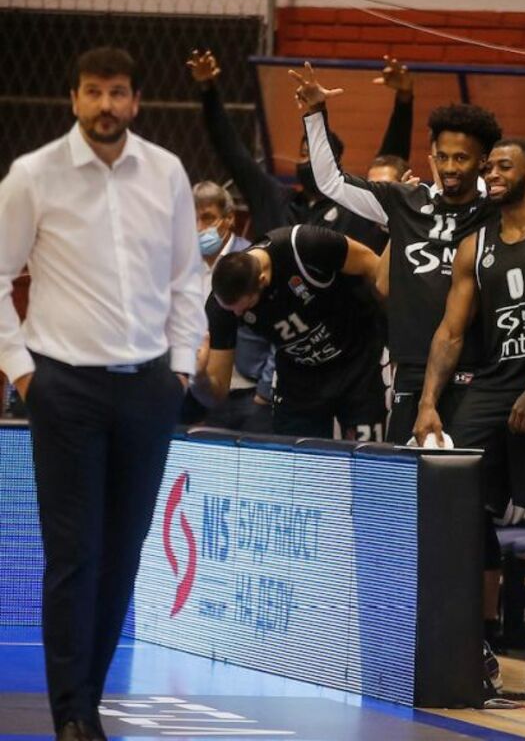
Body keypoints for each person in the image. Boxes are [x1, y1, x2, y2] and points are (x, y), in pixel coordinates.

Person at [0, 46, 204, 741]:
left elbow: (186, 279)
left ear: (136, 101)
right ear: (74, 99)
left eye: (117, 92)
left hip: (148, 386)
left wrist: (180, 370)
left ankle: (89, 697)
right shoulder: (34, 175)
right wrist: (22, 372)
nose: (105, 105)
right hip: (64, 385)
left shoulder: (166, 172)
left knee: (124, 552)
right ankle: (72, 713)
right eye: (93, 91)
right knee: (74, 553)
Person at [412, 139, 525, 693]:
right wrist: (428, 402)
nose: (492, 174)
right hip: (494, 384)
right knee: (452, 490)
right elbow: (451, 332)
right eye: (489, 167)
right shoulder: (475, 245)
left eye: (504, 167)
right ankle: (472, 644)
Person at [292, 62, 501, 443]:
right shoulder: (403, 201)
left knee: (465, 477)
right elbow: (331, 182)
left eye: (461, 158)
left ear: (483, 161)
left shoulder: (499, 210)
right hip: (410, 368)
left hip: (478, 371)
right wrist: (315, 113)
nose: (449, 167)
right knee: (403, 476)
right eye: (442, 156)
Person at [187, 49, 391, 252]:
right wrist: (208, 90)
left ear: (334, 162)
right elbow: (232, 152)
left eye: (315, 154)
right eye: (304, 154)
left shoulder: (352, 208)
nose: (308, 160)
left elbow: (389, 160)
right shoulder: (274, 199)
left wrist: (403, 100)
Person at [198, 225, 386, 440]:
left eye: (244, 308)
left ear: (262, 281)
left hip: (357, 360)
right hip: (300, 378)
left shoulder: (305, 245)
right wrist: (200, 375)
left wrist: (395, 336)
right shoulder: (222, 307)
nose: (237, 314)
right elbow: (218, 391)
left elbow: (376, 269)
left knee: (368, 454)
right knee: (294, 456)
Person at [186, 181, 273, 432]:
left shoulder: (251, 260)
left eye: (207, 218)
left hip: (249, 392)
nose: (199, 228)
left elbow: (280, 329)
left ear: (229, 218)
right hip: (199, 389)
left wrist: (264, 391)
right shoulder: (183, 267)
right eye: (192, 220)